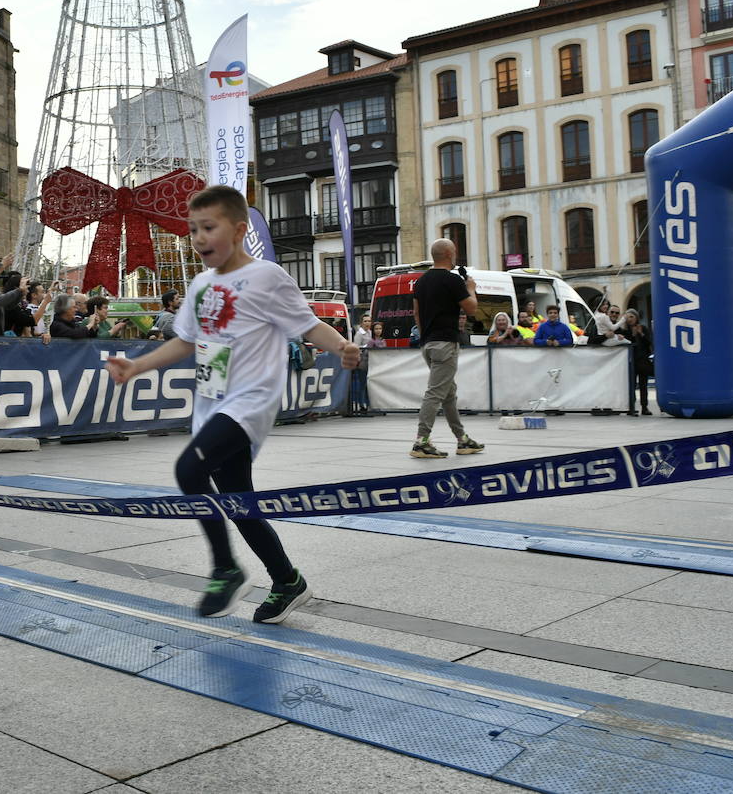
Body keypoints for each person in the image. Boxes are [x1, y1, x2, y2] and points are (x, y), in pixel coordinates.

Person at [106, 186, 359, 624]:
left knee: (189, 471)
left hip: (250, 401)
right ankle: (287, 580)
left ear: (239, 229)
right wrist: (136, 366)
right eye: (193, 230)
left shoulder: (267, 278)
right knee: (239, 499)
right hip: (212, 401)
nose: (199, 238)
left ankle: (225, 567)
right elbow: (186, 341)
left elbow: (308, 324)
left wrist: (343, 347)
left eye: (209, 228)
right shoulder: (201, 284)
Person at [409, 238, 486, 459]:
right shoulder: (452, 280)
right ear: (450, 255)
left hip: (428, 342)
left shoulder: (421, 282)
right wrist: (471, 288)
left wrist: (424, 337)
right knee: (435, 393)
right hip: (445, 343)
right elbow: (471, 309)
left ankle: (462, 439)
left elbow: (416, 313)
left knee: (448, 393)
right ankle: (421, 441)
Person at [616, 309, 655, 415]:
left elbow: (649, 343)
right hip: (630, 361)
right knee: (631, 385)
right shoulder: (624, 330)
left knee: (643, 384)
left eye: (632, 317)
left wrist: (641, 334)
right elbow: (625, 343)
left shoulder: (643, 328)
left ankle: (644, 407)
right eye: (627, 317)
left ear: (636, 317)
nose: (629, 319)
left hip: (642, 360)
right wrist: (632, 336)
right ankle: (631, 407)